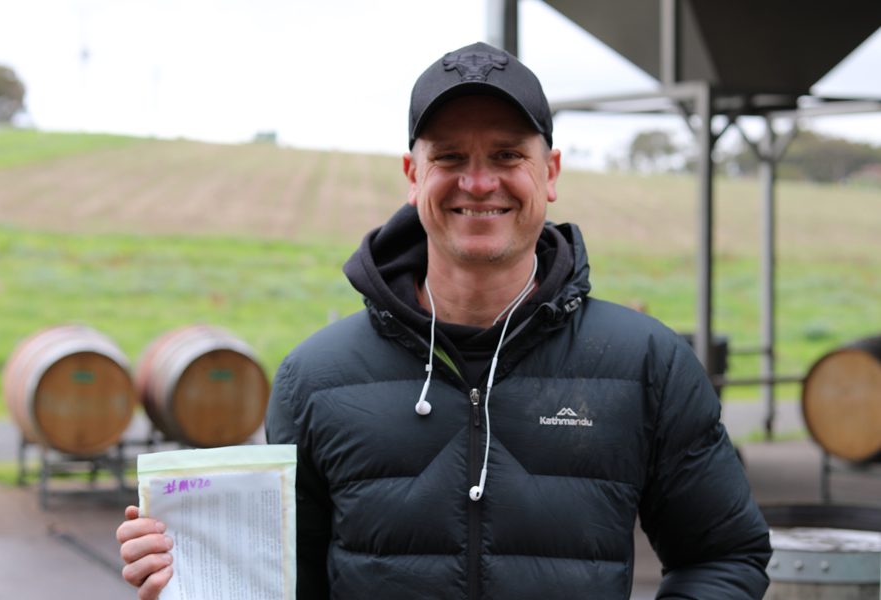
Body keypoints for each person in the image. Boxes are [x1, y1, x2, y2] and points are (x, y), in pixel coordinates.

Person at [117, 41, 772, 599]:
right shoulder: (314, 378)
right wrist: (190, 574)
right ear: (413, 174)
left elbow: (725, 554)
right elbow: (290, 583)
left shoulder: (644, 364)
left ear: (551, 172)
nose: (478, 183)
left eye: (508, 155)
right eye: (451, 158)